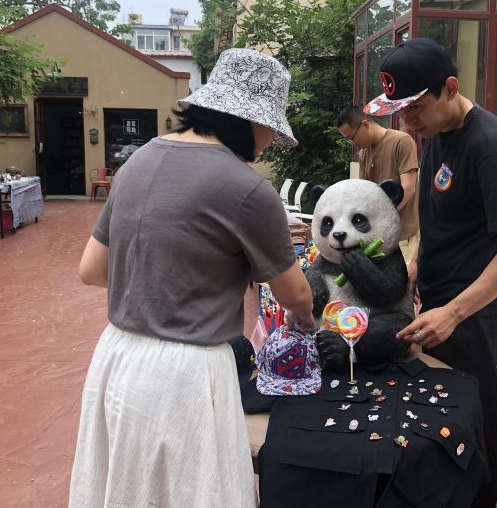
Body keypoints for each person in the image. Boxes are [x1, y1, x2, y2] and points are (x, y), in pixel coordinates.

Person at [69, 48, 315, 507]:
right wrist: (308, 318)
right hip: (188, 372)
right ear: (251, 121)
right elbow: (294, 292)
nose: (266, 141)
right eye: (268, 128)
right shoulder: (248, 188)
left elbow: (92, 270)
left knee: (126, 491)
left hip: (116, 360)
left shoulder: (137, 162)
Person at [364, 38, 497, 508]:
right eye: (398, 111)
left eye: (414, 108)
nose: (406, 122)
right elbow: (444, 217)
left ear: (450, 88)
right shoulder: (436, 135)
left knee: (472, 426)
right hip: (437, 306)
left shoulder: (488, 145)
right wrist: (417, 260)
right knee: (436, 419)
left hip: (472, 317)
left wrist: (454, 314)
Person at [335, 105, 419, 263]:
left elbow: (409, 188)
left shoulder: (402, 141)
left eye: (352, 137)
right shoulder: (364, 153)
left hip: (404, 238)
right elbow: (365, 194)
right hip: (377, 237)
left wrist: (381, 216)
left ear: (365, 124)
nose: (352, 143)